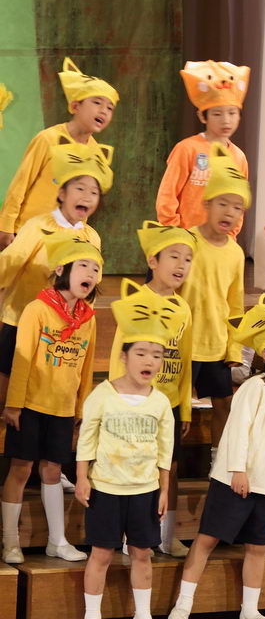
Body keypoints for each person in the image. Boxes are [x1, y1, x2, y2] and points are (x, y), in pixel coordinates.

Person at [168, 295, 265, 619]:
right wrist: (237, 470)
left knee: (257, 547)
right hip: (234, 481)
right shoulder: (254, 387)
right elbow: (237, 430)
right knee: (207, 539)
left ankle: (250, 610)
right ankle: (183, 604)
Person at [0, 141, 111, 479]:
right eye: (79, 187)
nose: (87, 196)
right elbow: (8, 265)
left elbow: (89, 288)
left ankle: (46, 465)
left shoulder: (92, 237)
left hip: (58, 334)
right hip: (21, 322)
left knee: (43, 399)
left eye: (94, 191)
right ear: (61, 193)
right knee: (6, 394)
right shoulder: (38, 226)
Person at [76, 283, 184, 619]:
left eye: (156, 354)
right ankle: (92, 614)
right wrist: (82, 478)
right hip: (106, 489)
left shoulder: (160, 402)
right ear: (124, 357)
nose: (149, 360)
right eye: (141, 353)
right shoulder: (102, 394)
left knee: (142, 553)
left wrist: (163, 489)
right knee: (101, 554)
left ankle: (143, 614)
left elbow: (165, 450)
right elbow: (86, 439)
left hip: (144, 491)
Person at [0, 231, 101, 564]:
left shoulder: (88, 318)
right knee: (20, 469)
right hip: (30, 405)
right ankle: (10, 542)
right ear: (61, 269)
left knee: (53, 471)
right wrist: (13, 404)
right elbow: (22, 359)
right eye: (83, 266)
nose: (91, 274)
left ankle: (57, 542)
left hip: (62, 408)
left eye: (96, 269)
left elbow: (87, 366)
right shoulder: (37, 309)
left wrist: (80, 406)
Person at [109, 223, 197, 557]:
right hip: (137, 402)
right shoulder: (136, 300)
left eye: (187, 259)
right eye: (173, 256)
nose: (181, 265)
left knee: (169, 469)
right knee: (136, 467)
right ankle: (130, 534)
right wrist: (121, 401)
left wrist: (185, 408)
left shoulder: (183, 308)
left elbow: (185, 359)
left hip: (168, 404)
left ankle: (166, 534)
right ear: (152, 261)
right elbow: (120, 355)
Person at [0, 57, 117, 249]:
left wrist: (78, 234)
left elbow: (85, 199)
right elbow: (21, 184)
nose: (104, 111)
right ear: (75, 106)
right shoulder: (48, 139)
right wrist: (6, 226)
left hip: (64, 238)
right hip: (29, 232)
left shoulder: (96, 152)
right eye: (97, 102)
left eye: (110, 107)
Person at [178, 143, 249, 460]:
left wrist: (234, 349)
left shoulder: (235, 253)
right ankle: (169, 466)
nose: (230, 213)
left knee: (224, 403)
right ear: (207, 203)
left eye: (238, 208)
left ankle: (218, 460)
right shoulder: (187, 241)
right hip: (185, 344)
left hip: (217, 345)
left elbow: (236, 306)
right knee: (179, 410)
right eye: (223, 204)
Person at [156, 60, 251, 237]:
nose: (226, 120)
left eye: (232, 113)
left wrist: (230, 236)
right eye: (217, 113)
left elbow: (240, 201)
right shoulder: (187, 149)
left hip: (219, 242)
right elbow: (168, 194)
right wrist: (175, 232)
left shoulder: (239, 157)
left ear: (239, 115)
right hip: (185, 239)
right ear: (202, 116)